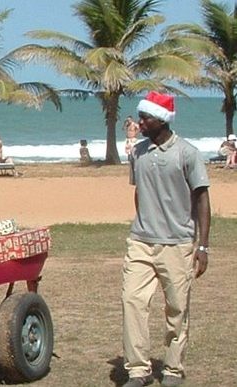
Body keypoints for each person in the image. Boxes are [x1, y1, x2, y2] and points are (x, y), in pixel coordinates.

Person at [122, 91, 211, 387]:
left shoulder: (187, 153)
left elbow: (201, 200)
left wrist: (202, 246)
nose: (140, 122)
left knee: (177, 309)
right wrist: (144, 221)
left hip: (178, 244)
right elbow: (139, 192)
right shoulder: (138, 152)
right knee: (132, 301)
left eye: (145, 117)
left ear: (162, 120)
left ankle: (172, 370)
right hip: (141, 242)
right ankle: (138, 369)